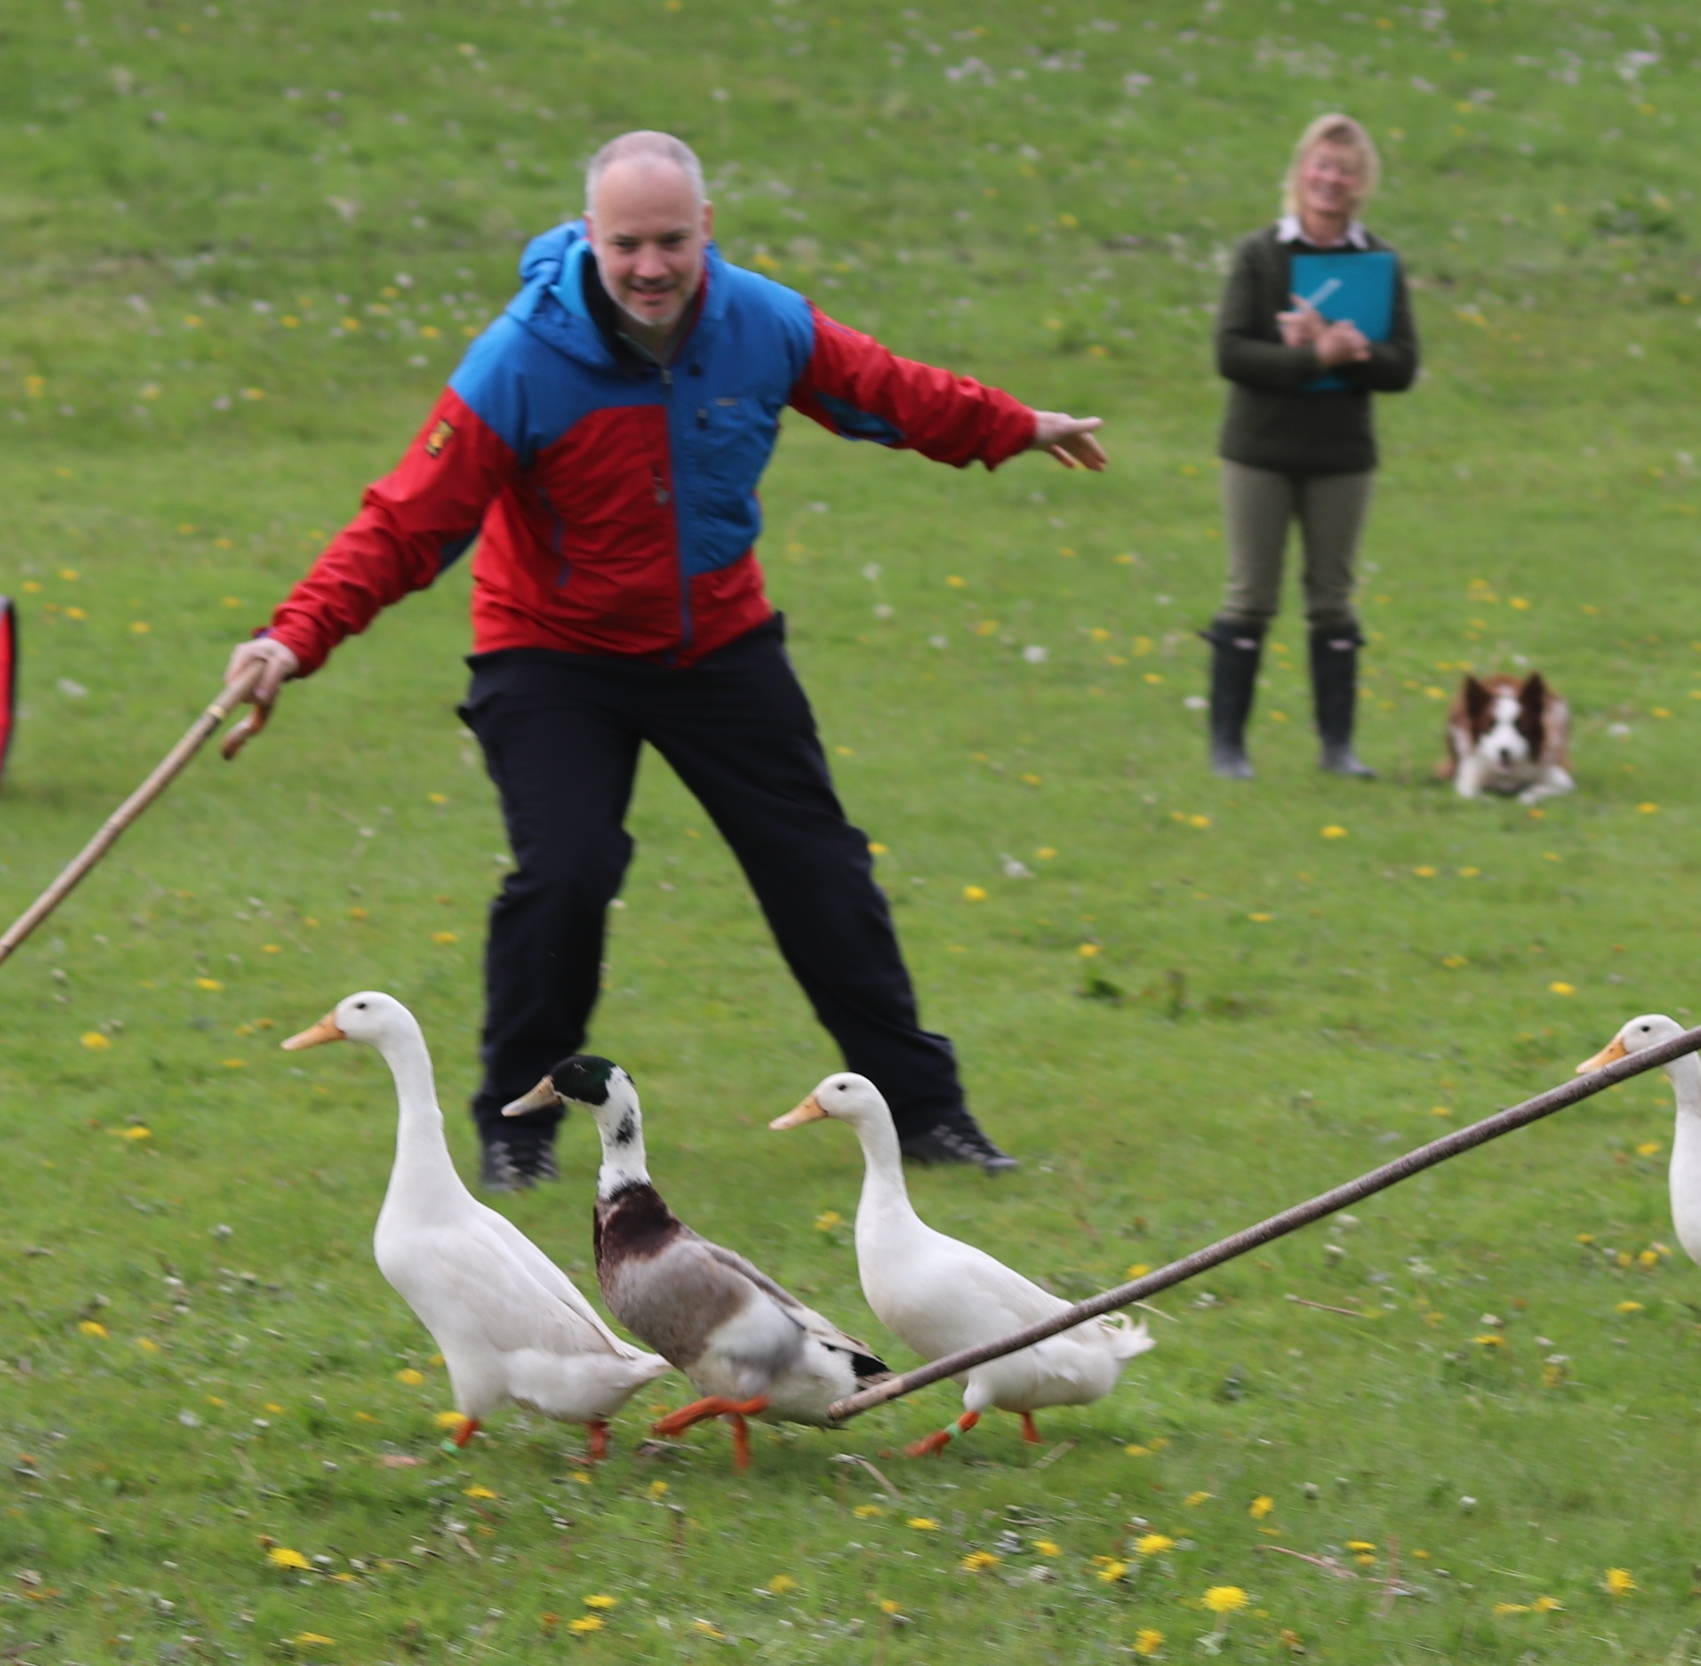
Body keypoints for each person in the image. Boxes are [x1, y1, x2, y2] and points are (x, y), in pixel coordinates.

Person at [218, 132, 1110, 1187]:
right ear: (591, 238)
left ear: (707, 233)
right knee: (568, 870)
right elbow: (412, 521)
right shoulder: (519, 360)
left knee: (820, 866)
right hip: (550, 651)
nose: (651, 266)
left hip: (717, 642)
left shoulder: (761, 323)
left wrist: (1010, 425)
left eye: (672, 241)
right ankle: (519, 1128)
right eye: (628, 243)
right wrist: (293, 634)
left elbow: (881, 388)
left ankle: (925, 1111)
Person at [1202, 111, 1419, 781]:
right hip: (1260, 451)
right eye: (1321, 166)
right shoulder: (1260, 255)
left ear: (1361, 184)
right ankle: (1229, 750)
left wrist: (1349, 356)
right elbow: (1232, 353)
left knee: (1332, 598)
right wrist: (1309, 357)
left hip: (1340, 456)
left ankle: (1337, 749)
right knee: (1250, 596)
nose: (1331, 180)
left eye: (1345, 170)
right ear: (1301, 173)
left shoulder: (1376, 261)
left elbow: (1401, 365)